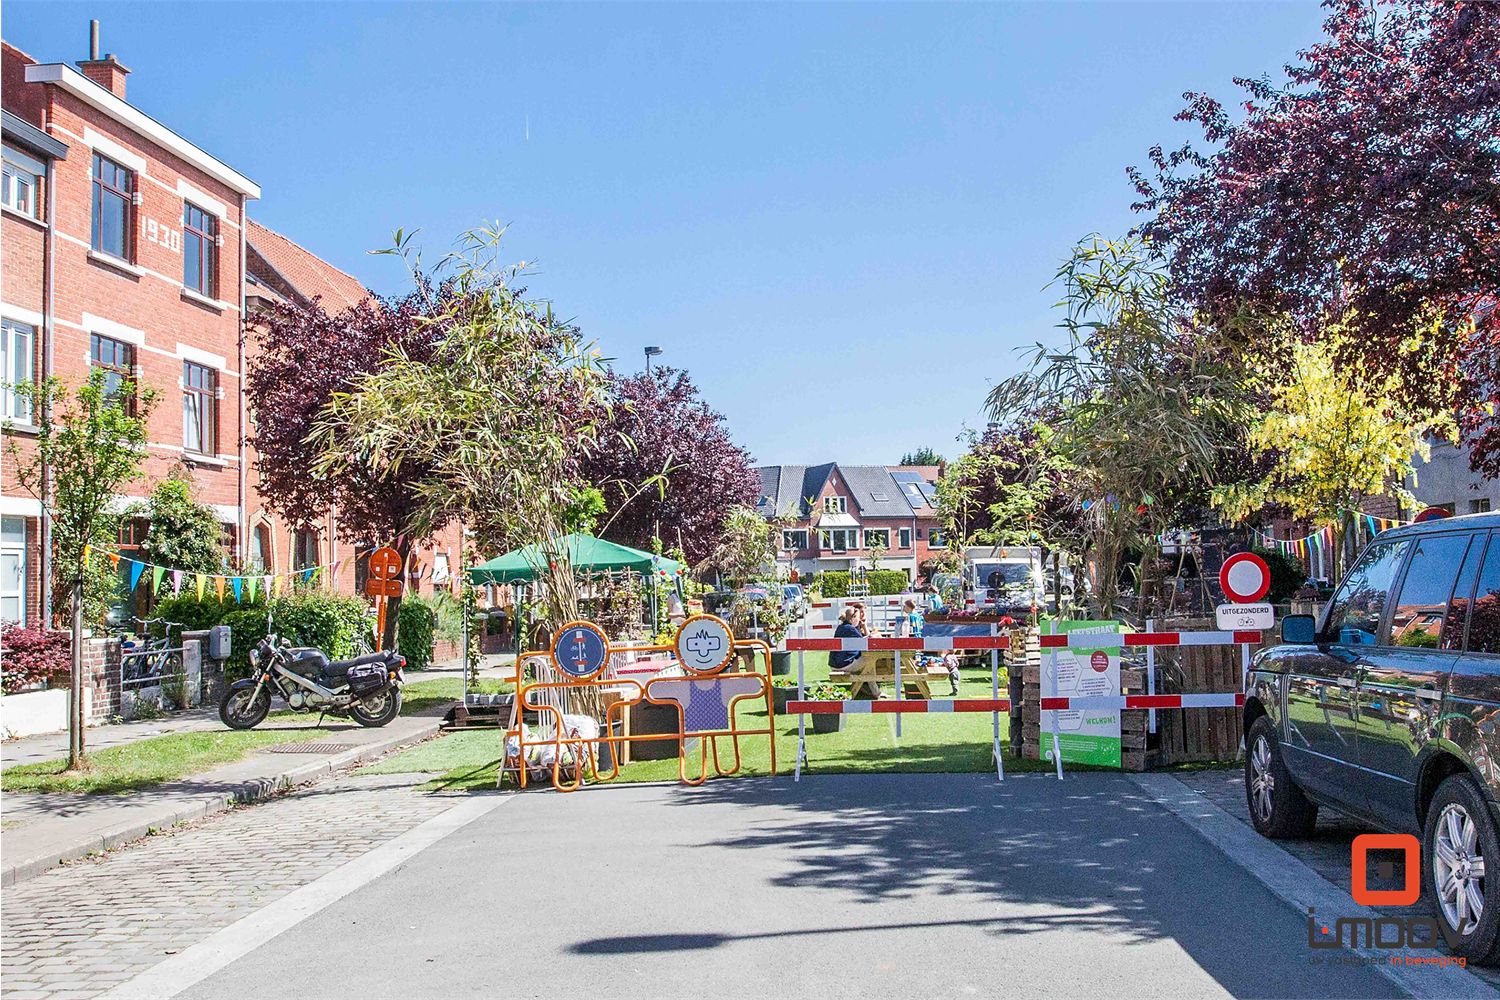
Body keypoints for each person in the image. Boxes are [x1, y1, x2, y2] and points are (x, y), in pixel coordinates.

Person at [829, 607, 864, 672]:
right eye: (858, 618)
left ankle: (865, 682)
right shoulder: (850, 628)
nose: (859, 620)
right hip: (844, 665)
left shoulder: (841, 627)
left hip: (834, 665)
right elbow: (864, 643)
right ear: (853, 617)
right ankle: (870, 681)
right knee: (869, 659)